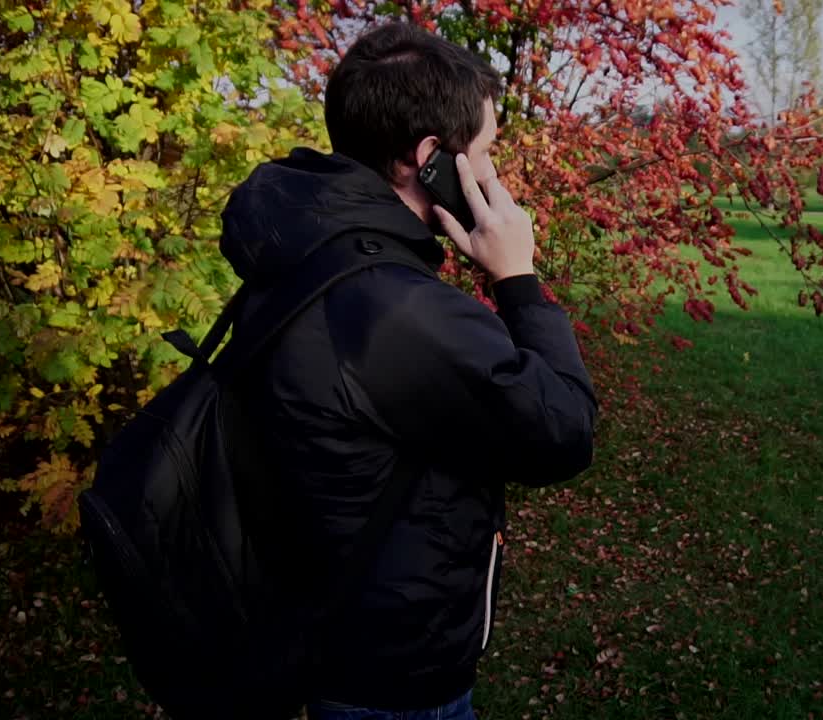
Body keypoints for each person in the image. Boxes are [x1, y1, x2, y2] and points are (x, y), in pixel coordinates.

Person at [215, 21, 598, 720]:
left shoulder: (306, 252)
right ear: (428, 160)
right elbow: (564, 430)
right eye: (483, 153)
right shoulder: (399, 311)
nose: (492, 176)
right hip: (395, 675)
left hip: (326, 635)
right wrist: (517, 278)